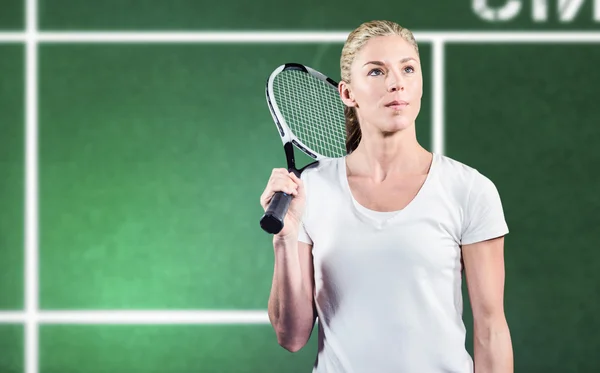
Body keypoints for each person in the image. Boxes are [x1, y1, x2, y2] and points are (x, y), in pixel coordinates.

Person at [260, 20, 514, 373]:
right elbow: (291, 336)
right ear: (348, 94)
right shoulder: (311, 191)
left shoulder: (469, 190)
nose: (397, 82)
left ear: (421, 83)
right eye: (377, 72)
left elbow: (491, 331)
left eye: (408, 68)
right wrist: (285, 239)